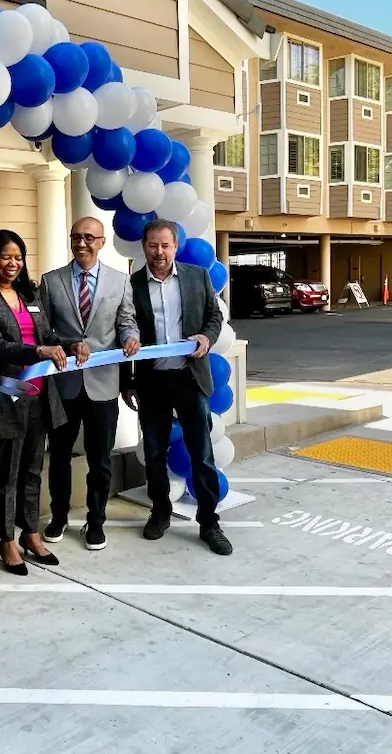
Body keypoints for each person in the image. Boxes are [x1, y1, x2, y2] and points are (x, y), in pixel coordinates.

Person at [0, 229, 81, 575]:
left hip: (40, 396)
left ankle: (31, 532)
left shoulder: (29, 293)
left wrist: (71, 344)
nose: (13, 263)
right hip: (6, 395)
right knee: (8, 471)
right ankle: (6, 539)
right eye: (6, 256)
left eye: (18, 257)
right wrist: (37, 351)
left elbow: (47, 336)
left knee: (33, 468)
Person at [121, 218, 232, 556]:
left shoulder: (197, 278)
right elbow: (123, 331)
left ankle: (209, 522)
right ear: (144, 248)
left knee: (201, 454)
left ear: (175, 247)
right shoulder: (133, 284)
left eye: (165, 245)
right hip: (152, 381)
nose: (159, 252)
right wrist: (128, 381)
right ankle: (160, 511)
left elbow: (215, 318)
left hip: (189, 378)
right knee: (154, 454)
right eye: (152, 245)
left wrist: (207, 337)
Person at [39, 216, 141, 551]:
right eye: (76, 237)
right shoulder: (51, 281)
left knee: (100, 459)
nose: (81, 243)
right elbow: (45, 330)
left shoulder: (119, 281)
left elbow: (126, 322)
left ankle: (96, 521)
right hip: (64, 385)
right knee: (60, 457)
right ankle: (58, 516)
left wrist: (130, 338)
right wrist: (66, 345)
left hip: (103, 385)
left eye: (88, 237)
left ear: (101, 242)